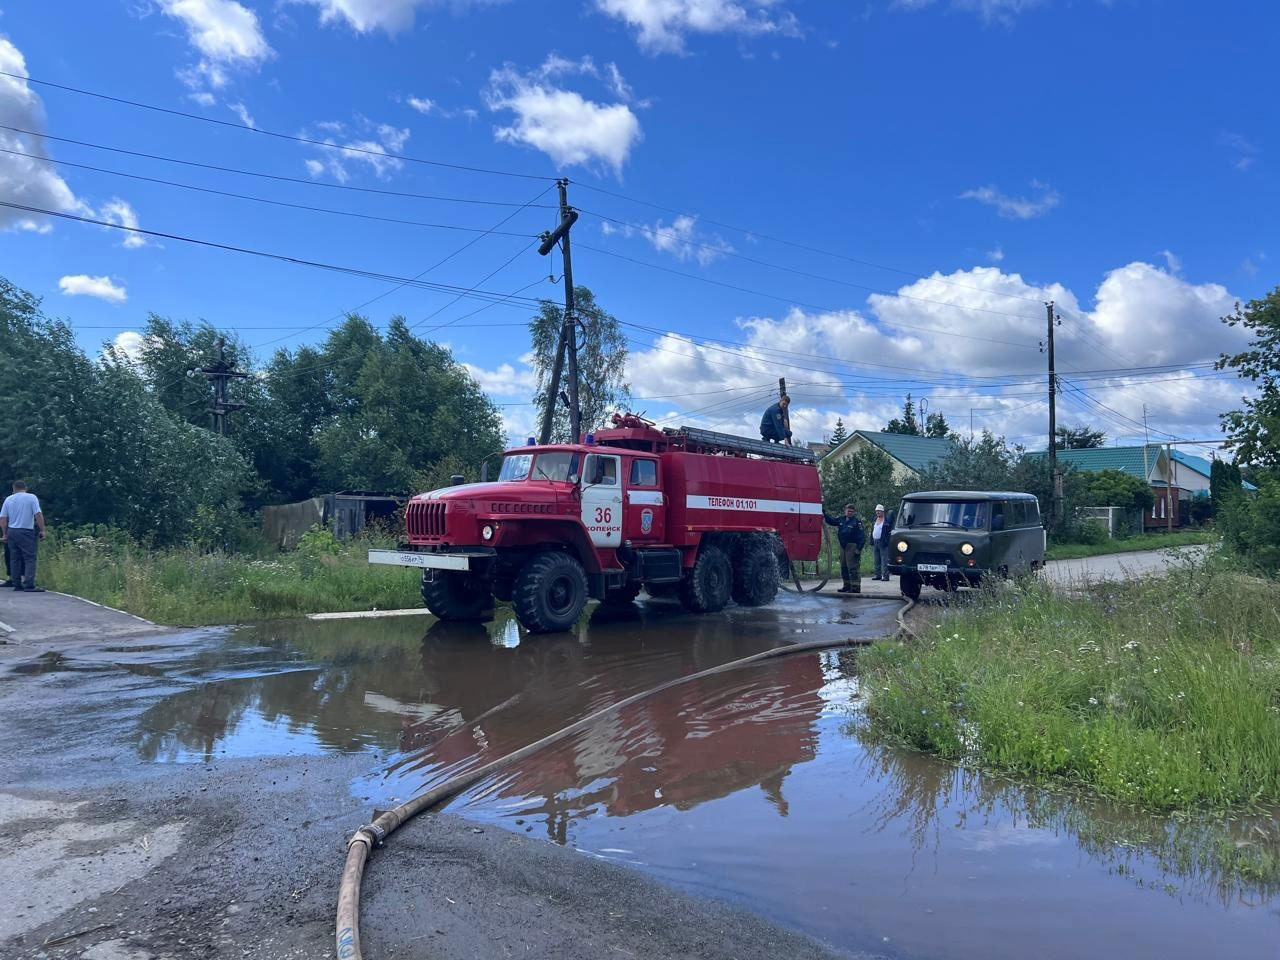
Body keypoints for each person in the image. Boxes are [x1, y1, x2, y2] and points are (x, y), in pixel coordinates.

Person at [0, 480, 47, 593]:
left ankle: (17, 584)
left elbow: (3, 518)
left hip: (12, 531)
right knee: (29, 557)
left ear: (14, 488)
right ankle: (29, 584)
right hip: (26, 530)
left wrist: (5, 533)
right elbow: (38, 514)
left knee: (14, 558)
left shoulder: (8, 499)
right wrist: (42, 530)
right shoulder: (31, 498)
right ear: (25, 488)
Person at [823, 503, 865, 593]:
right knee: (844, 567)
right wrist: (824, 513)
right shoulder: (841, 519)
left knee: (853, 568)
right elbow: (831, 521)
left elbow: (862, 537)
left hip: (852, 546)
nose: (849, 512)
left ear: (854, 512)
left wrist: (858, 549)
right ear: (845, 510)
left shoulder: (857, 522)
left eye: (851, 511)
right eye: (848, 511)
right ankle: (846, 586)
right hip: (843, 546)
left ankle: (855, 587)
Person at [870, 503, 895, 582]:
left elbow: (889, 531)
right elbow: (872, 530)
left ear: (882, 512)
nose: (877, 513)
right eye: (876, 511)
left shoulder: (886, 520)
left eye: (879, 511)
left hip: (883, 541)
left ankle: (885, 575)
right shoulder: (875, 519)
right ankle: (878, 575)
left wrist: (886, 540)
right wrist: (871, 539)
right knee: (877, 559)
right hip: (875, 541)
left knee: (884, 559)